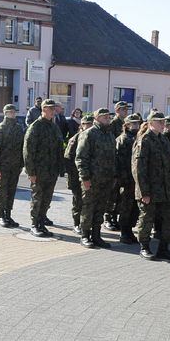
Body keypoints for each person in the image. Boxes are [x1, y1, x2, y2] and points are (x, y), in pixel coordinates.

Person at [132, 111, 170, 261]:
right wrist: (143, 192)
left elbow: (169, 166)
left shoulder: (164, 140)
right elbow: (138, 169)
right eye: (159, 122)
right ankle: (144, 247)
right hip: (150, 189)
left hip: (165, 189)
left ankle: (164, 248)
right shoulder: (144, 140)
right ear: (151, 123)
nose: (163, 124)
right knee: (147, 219)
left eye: (163, 121)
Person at [23, 99, 64, 237]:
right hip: (39, 171)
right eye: (51, 109)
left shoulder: (54, 127)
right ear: (44, 109)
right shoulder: (35, 127)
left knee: (47, 198)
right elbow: (28, 151)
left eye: (54, 109)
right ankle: (35, 224)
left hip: (51, 171)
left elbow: (59, 148)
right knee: (37, 198)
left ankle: (41, 222)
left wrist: (60, 168)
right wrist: (31, 172)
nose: (54, 111)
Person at [76, 108, 116, 249]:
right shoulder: (89, 134)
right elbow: (81, 158)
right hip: (92, 180)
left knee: (100, 208)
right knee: (88, 207)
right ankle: (85, 235)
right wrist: (85, 178)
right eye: (104, 117)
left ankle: (97, 235)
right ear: (97, 118)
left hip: (106, 180)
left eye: (108, 117)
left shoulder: (110, 135)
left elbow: (113, 157)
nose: (107, 119)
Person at [0, 103, 24, 228]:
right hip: (3, 167)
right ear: (5, 113)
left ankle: (8, 214)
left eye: (14, 112)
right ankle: (1, 215)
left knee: (12, 191)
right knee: (2, 191)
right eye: (10, 112)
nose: (12, 114)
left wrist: (21, 164)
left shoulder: (19, 128)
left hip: (15, 166)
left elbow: (22, 148)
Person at [114, 113, 142, 244]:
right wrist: (122, 180)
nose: (136, 125)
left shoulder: (138, 138)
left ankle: (129, 230)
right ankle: (124, 232)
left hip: (137, 180)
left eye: (137, 123)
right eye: (133, 123)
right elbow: (119, 162)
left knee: (135, 208)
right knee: (126, 207)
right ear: (126, 125)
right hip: (127, 180)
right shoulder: (122, 140)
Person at [65, 113, 94, 235]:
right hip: (77, 176)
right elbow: (68, 159)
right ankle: (76, 223)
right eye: (85, 124)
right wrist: (75, 177)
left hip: (90, 176)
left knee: (88, 202)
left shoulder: (94, 138)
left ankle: (86, 223)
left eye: (90, 124)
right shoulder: (75, 139)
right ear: (81, 126)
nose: (88, 126)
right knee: (78, 201)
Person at [105, 101, 130, 228]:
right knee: (112, 194)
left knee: (121, 195)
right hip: (115, 161)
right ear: (117, 111)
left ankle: (116, 216)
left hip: (124, 163)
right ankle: (108, 218)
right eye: (123, 109)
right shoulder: (113, 124)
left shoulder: (126, 123)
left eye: (126, 109)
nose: (125, 111)